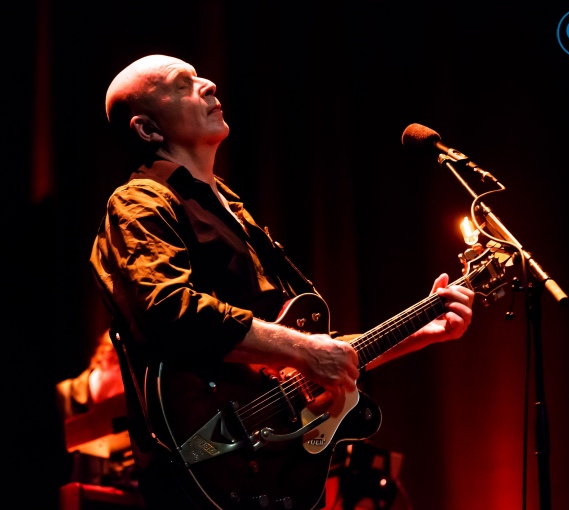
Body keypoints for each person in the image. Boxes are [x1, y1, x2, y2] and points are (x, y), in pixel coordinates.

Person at [89, 54, 475, 510]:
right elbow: (169, 310)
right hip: (208, 461)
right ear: (148, 130)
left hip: (270, 469)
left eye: (201, 77)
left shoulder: (230, 206)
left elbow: (298, 365)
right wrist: (305, 349)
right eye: (183, 84)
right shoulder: (140, 200)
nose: (210, 84)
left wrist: (417, 334)